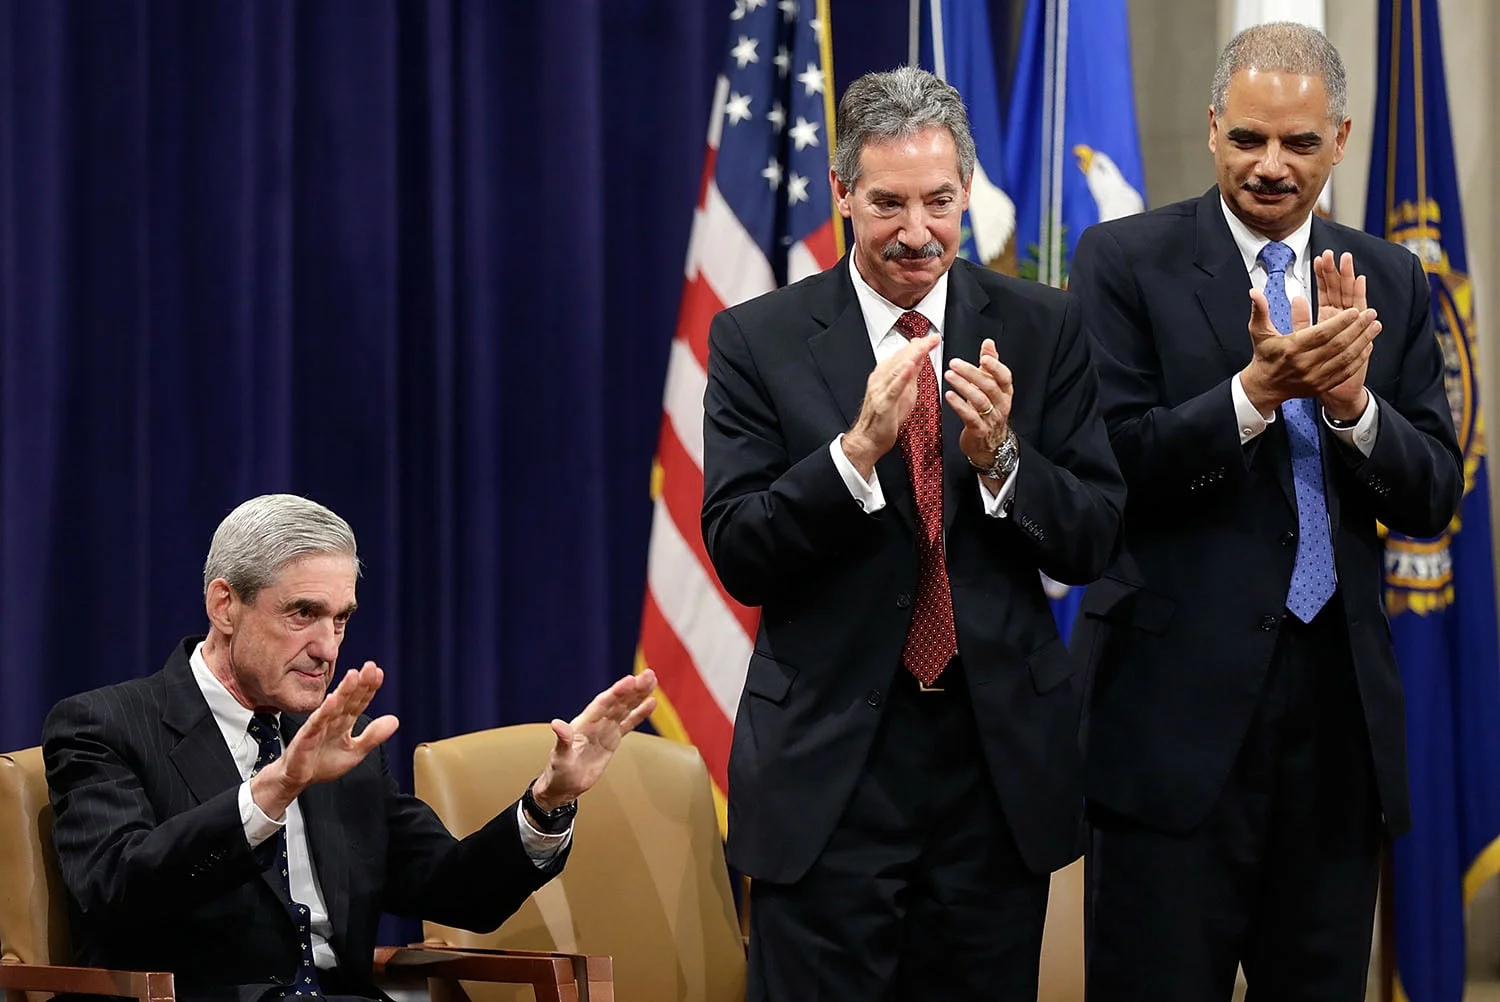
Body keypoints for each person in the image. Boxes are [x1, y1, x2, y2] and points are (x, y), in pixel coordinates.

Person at [701, 65, 1124, 1001]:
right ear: (844, 193)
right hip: (831, 773)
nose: (917, 231)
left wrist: (1004, 458)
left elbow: (1092, 538)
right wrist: (851, 456)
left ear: (968, 191)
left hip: (992, 768)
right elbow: (737, 548)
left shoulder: (1044, 327)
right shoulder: (757, 340)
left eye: (940, 200)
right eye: (888, 203)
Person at [1070, 21, 1463, 1001]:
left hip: (1334, 736)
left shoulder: (1393, 279)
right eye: (1248, 139)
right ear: (1211, 132)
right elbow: (1108, 468)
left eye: (1297, 143)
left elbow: (1432, 493)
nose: (1271, 167)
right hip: (1171, 733)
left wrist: (1351, 406)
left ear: (1341, 137)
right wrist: (1253, 395)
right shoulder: (1125, 262)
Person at [43, 493, 657, 1002]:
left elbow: (459, 892)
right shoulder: (105, 725)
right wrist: (275, 788)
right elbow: (116, 892)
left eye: (340, 619)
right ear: (224, 605)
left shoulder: (343, 752)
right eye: (303, 613)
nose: (327, 647)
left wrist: (548, 803)